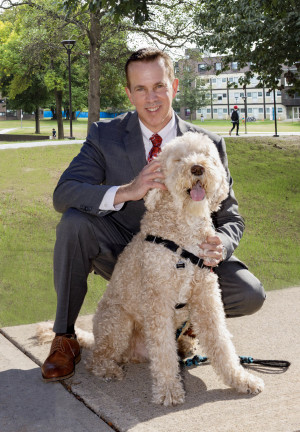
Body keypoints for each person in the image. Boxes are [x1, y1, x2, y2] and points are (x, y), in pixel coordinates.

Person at [41, 48, 266, 382]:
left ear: (174, 86)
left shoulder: (209, 143)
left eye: (159, 86)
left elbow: (231, 216)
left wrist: (220, 242)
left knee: (249, 293)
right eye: (141, 89)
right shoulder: (105, 135)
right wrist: (127, 191)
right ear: (130, 93)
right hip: (122, 255)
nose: (152, 98)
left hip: (191, 253)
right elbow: (65, 192)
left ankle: (184, 325)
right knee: (74, 223)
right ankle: (64, 336)